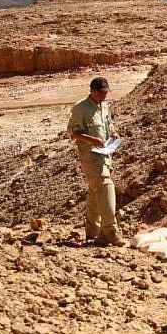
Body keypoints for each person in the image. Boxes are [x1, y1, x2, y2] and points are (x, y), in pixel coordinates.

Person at [68, 77, 124, 246]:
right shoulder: (80, 108)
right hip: (91, 156)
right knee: (106, 185)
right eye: (101, 93)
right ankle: (111, 232)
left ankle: (92, 232)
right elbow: (73, 133)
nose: (104, 97)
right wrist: (92, 140)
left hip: (105, 155)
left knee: (95, 191)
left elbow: (109, 124)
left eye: (106, 93)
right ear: (92, 91)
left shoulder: (105, 106)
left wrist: (113, 133)